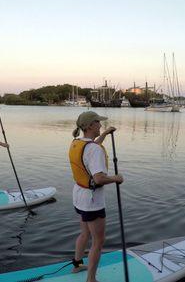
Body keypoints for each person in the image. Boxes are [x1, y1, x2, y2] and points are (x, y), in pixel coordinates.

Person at [68, 111, 124, 282]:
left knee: (84, 233)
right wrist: (116, 178)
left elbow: (92, 147)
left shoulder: (77, 143)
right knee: (98, 241)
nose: (101, 125)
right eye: (98, 123)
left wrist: (105, 134)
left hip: (79, 196)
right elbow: (99, 178)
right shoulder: (94, 150)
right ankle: (91, 279)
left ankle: (77, 265)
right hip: (92, 200)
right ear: (90, 125)